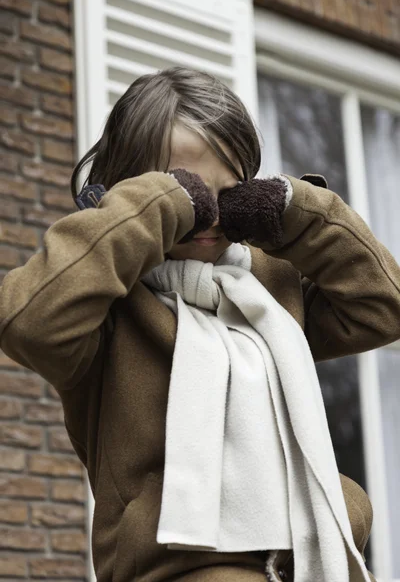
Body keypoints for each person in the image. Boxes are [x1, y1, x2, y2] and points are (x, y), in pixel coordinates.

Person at [1, 66, 399, 582]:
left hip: (310, 561)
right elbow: (29, 322)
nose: (208, 213)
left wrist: (297, 211)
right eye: (185, 188)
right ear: (135, 190)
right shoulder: (104, 301)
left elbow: (383, 305)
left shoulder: (269, 286)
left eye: (227, 191)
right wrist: (157, 204)